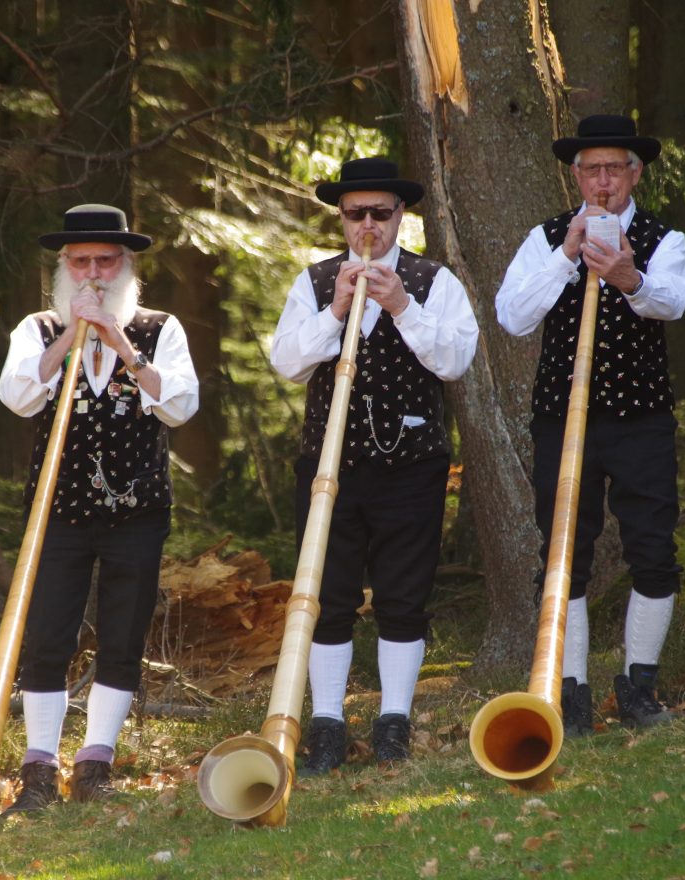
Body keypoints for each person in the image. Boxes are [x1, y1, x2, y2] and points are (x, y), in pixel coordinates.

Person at [270, 157, 479, 773]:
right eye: (355, 213)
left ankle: (393, 721)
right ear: (341, 218)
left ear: (400, 215)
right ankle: (326, 724)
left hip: (411, 467)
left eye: (379, 213)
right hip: (328, 469)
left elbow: (455, 361)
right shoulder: (314, 281)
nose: (367, 225)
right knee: (326, 596)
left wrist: (403, 307)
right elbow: (287, 362)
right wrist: (335, 310)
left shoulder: (433, 280)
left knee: (402, 596)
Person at [0, 204, 199, 812]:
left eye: (105, 261)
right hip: (56, 512)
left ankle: (94, 764)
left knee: (122, 635)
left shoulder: (160, 329)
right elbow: (17, 397)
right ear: (64, 266)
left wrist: (122, 345)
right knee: (47, 635)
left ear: (126, 264)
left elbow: (180, 406)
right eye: (80, 261)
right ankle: (38, 768)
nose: (92, 274)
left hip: (137, 511)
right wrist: (70, 337)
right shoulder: (37, 328)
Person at [495, 115, 685, 735]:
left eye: (614, 169)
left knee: (653, 549)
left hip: (641, 420)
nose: (603, 181)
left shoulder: (664, 239)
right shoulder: (547, 238)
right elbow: (511, 316)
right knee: (563, 551)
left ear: (636, 173)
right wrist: (566, 258)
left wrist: (630, 277)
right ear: (576, 176)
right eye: (592, 170)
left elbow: (673, 302)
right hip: (562, 419)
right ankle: (569, 690)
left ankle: (639, 687)